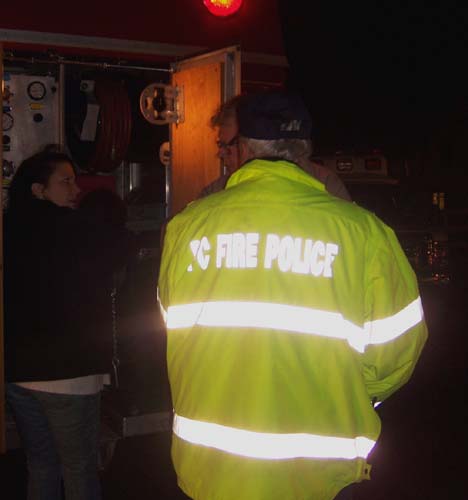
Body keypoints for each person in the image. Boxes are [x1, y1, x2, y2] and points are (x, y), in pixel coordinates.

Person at [157, 90, 428, 500]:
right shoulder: (364, 232)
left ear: (244, 148)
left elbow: (173, 324)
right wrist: (347, 390)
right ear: (305, 149)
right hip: (318, 474)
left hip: (211, 470)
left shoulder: (186, 226)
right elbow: (398, 349)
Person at [3, 150, 134, 500]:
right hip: (69, 374)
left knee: (41, 464)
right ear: (38, 189)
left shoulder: (8, 227)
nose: (76, 189)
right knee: (79, 468)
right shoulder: (73, 227)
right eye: (66, 181)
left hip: (18, 372)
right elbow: (123, 246)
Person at [198, 93, 352, 201]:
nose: (220, 154)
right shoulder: (216, 191)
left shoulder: (327, 185)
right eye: (220, 145)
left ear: (247, 144)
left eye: (227, 146)